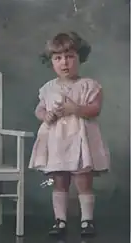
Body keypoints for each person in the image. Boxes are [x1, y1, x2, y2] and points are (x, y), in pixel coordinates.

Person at [29, 32, 110, 237]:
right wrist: (46, 115)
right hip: (57, 141)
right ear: (51, 62)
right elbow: (39, 109)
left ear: (79, 57)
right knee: (59, 180)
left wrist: (75, 109)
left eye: (70, 56)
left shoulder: (89, 85)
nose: (64, 63)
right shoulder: (48, 88)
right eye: (58, 58)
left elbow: (95, 109)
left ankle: (87, 221)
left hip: (80, 139)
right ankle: (60, 220)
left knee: (83, 179)